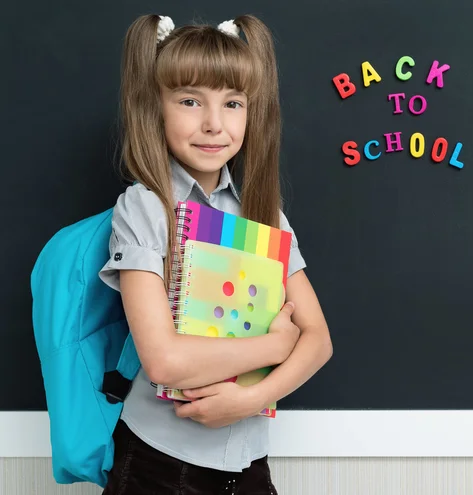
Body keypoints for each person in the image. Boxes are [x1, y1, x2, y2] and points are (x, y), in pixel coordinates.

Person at [97, 13, 332, 495]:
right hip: (159, 463)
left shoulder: (262, 211)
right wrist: (273, 346)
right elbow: (162, 361)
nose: (213, 124)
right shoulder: (146, 206)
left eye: (232, 103)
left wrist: (253, 399)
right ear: (155, 106)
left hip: (248, 462)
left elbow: (319, 340)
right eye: (189, 101)